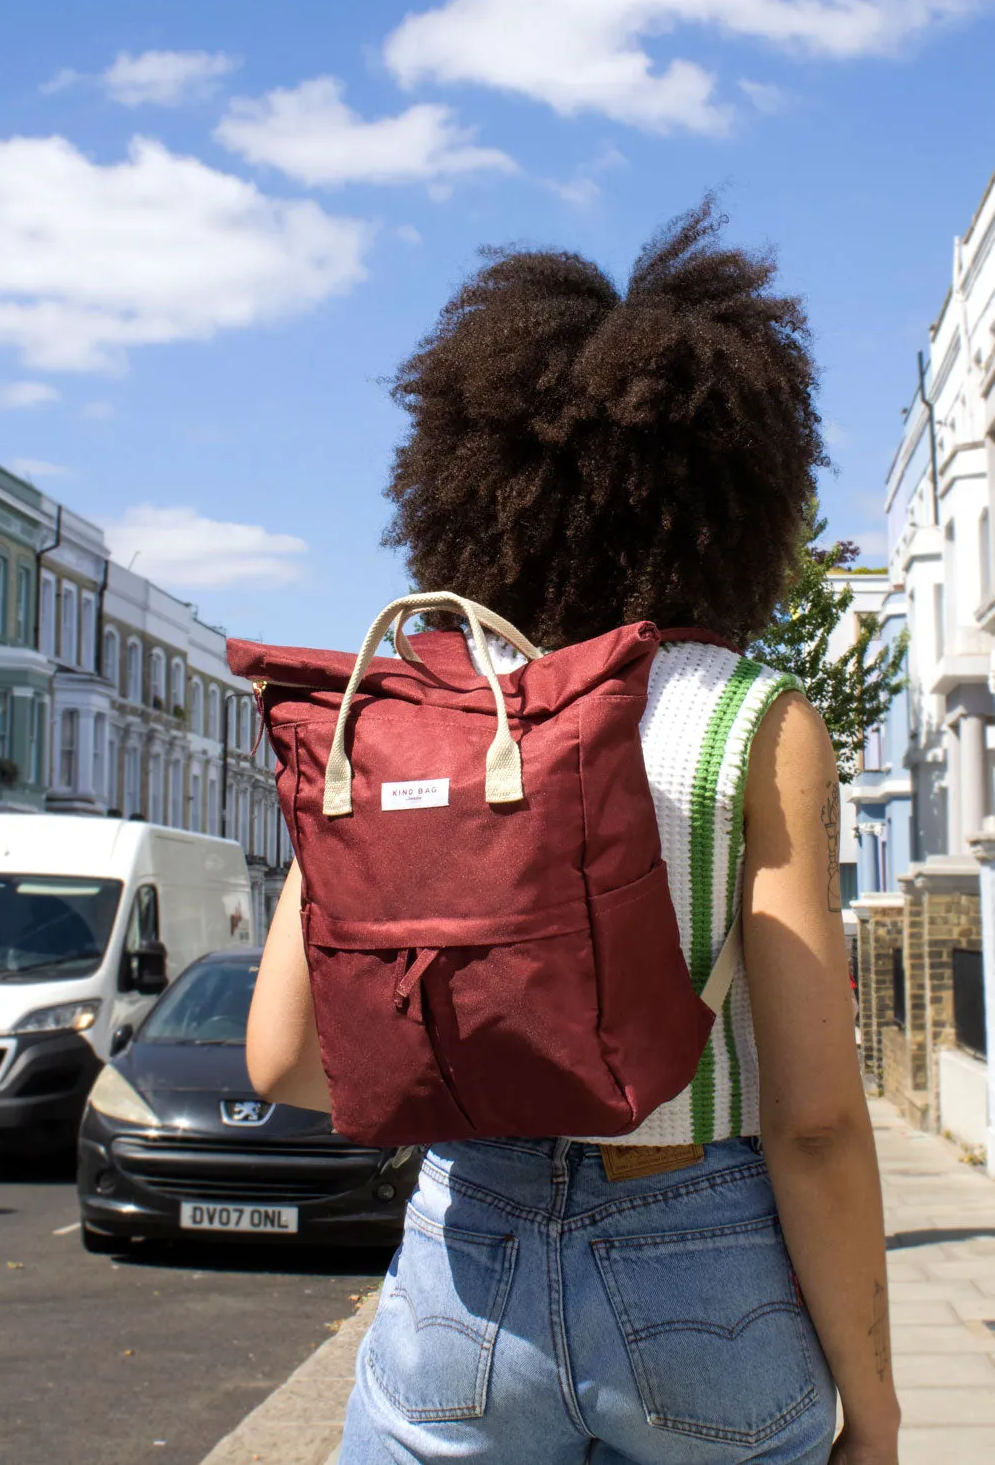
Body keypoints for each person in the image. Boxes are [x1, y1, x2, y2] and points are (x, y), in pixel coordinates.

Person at [246, 201, 900, 1465]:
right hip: (704, 1264)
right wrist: (870, 1416)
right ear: (742, 491)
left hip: (462, 1273)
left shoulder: (408, 713)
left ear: (467, 483)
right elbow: (816, 1122)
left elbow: (286, 1061)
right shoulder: (753, 723)